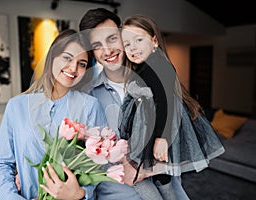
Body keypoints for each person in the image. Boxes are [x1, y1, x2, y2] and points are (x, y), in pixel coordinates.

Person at [79, 8, 190, 200]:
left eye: (112, 39)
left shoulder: (156, 77)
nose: (107, 50)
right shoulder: (87, 97)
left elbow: (181, 139)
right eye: (97, 45)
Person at [0, 29, 107, 200]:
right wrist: (12, 197)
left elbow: (98, 164)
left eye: (81, 63)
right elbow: (1, 163)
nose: (73, 68)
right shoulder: (17, 106)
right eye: (67, 58)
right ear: (52, 57)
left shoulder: (90, 106)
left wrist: (81, 193)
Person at [119, 14, 225, 196]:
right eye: (127, 44)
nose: (133, 47)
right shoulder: (148, 66)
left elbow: (165, 101)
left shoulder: (156, 64)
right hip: (150, 129)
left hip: (155, 131)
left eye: (138, 39)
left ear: (154, 41)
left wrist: (162, 138)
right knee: (159, 177)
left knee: (136, 178)